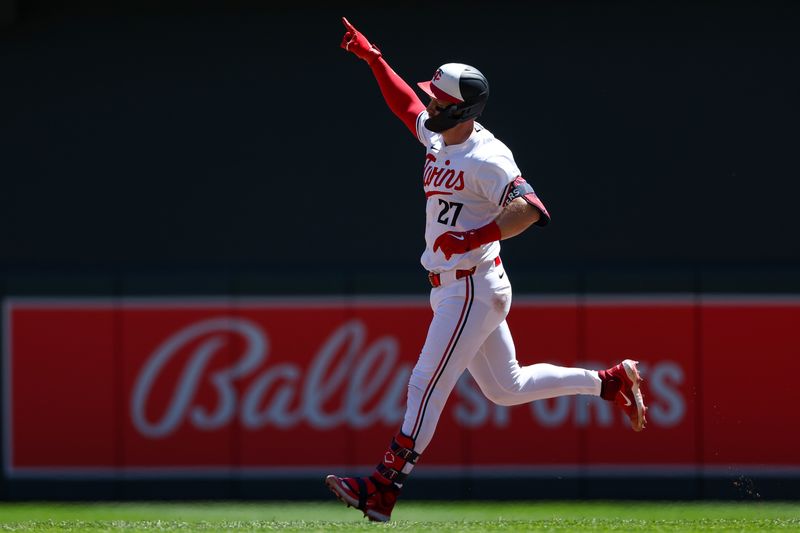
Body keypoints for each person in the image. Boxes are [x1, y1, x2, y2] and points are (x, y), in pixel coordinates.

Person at [326, 17, 647, 522]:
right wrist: (374, 60)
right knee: (506, 389)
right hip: (462, 283)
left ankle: (383, 487)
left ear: (459, 108)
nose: (427, 101)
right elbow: (405, 105)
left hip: (471, 286)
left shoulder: (487, 156)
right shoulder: (440, 137)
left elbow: (531, 208)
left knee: (424, 384)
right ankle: (606, 383)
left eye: (437, 97)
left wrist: (472, 237)